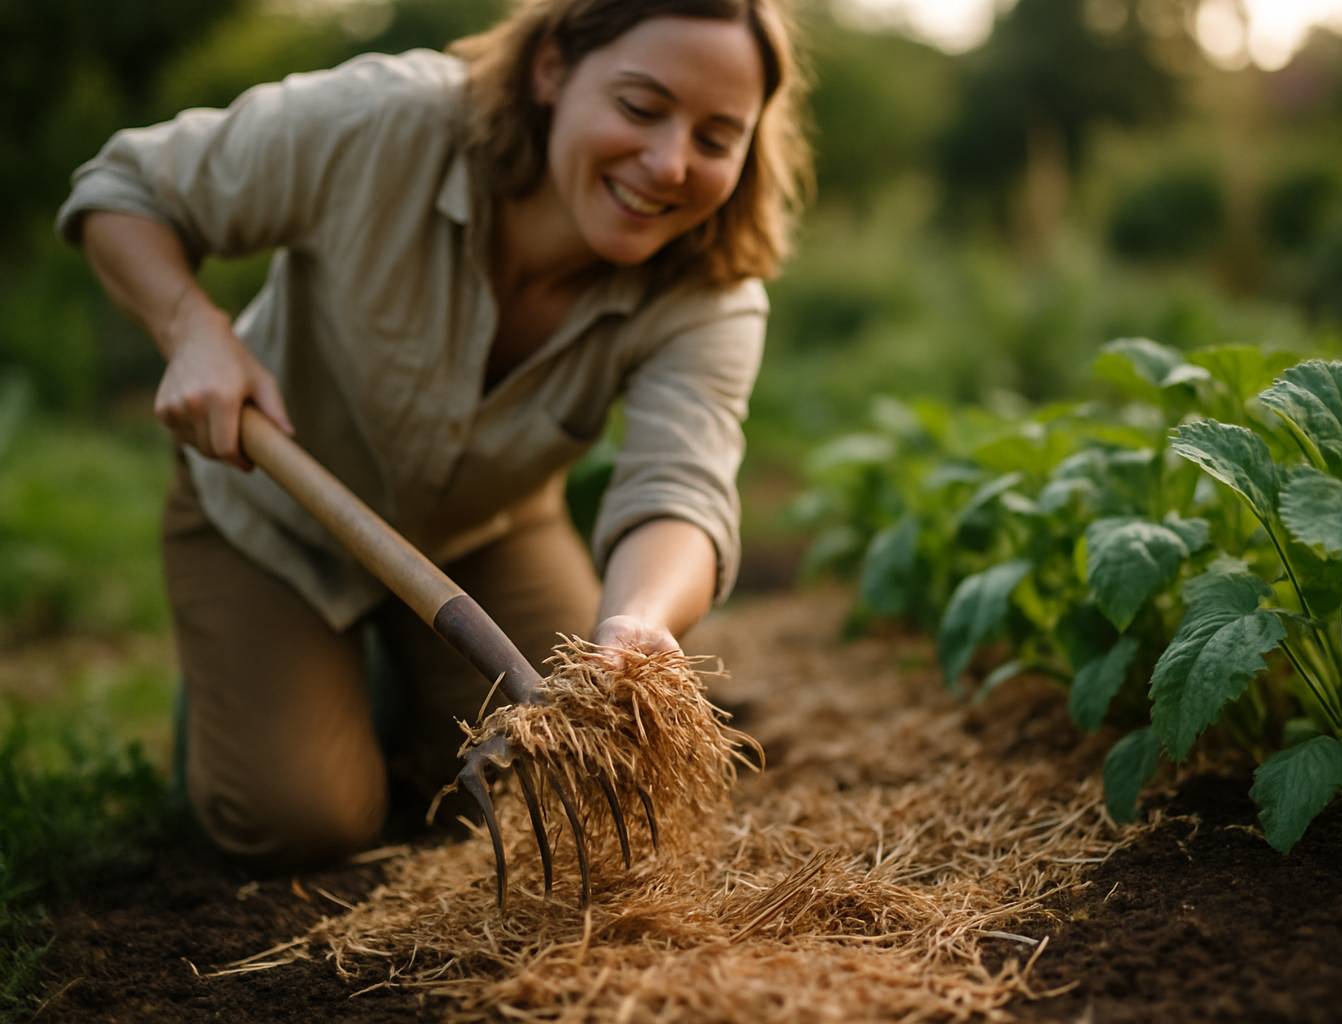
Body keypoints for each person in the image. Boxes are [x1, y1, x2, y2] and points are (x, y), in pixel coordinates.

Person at [57, 0, 811, 868]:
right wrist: (191, 328)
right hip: (270, 516)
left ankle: (393, 690)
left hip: (484, 533)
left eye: (716, 138)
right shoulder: (382, 122)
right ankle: (292, 685)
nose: (670, 162)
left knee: (567, 774)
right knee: (303, 820)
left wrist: (635, 621)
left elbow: (679, 488)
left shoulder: (712, 291)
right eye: (641, 108)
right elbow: (122, 189)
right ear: (552, 69)